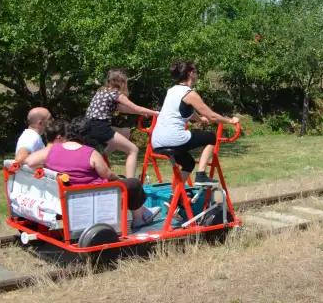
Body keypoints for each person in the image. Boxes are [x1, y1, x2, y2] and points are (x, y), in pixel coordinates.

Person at [27, 117, 160, 228]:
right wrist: (117, 178)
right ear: (86, 135)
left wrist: (47, 166)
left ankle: (144, 212)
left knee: (125, 182)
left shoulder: (52, 150)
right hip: (91, 196)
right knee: (133, 183)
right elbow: (107, 174)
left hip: (66, 196)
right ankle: (139, 219)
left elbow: (29, 161)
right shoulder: (90, 153)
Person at [151, 60, 240, 187]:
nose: (197, 75)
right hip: (173, 138)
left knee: (188, 163)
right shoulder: (189, 93)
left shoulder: (172, 91)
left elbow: (181, 111)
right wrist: (230, 121)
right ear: (191, 73)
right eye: (196, 72)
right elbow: (212, 116)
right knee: (210, 137)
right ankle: (201, 175)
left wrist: (199, 119)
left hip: (157, 140)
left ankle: (176, 195)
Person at [84, 69, 159, 179]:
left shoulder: (102, 92)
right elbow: (137, 108)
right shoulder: (116, 94)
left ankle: (103, 155)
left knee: (125, 133)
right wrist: (156, 113)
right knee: (133, 150)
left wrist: (147, 112)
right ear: (122, 82)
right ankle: (130, 183)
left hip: (88, 125)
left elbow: (124, 109)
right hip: (100, 126)